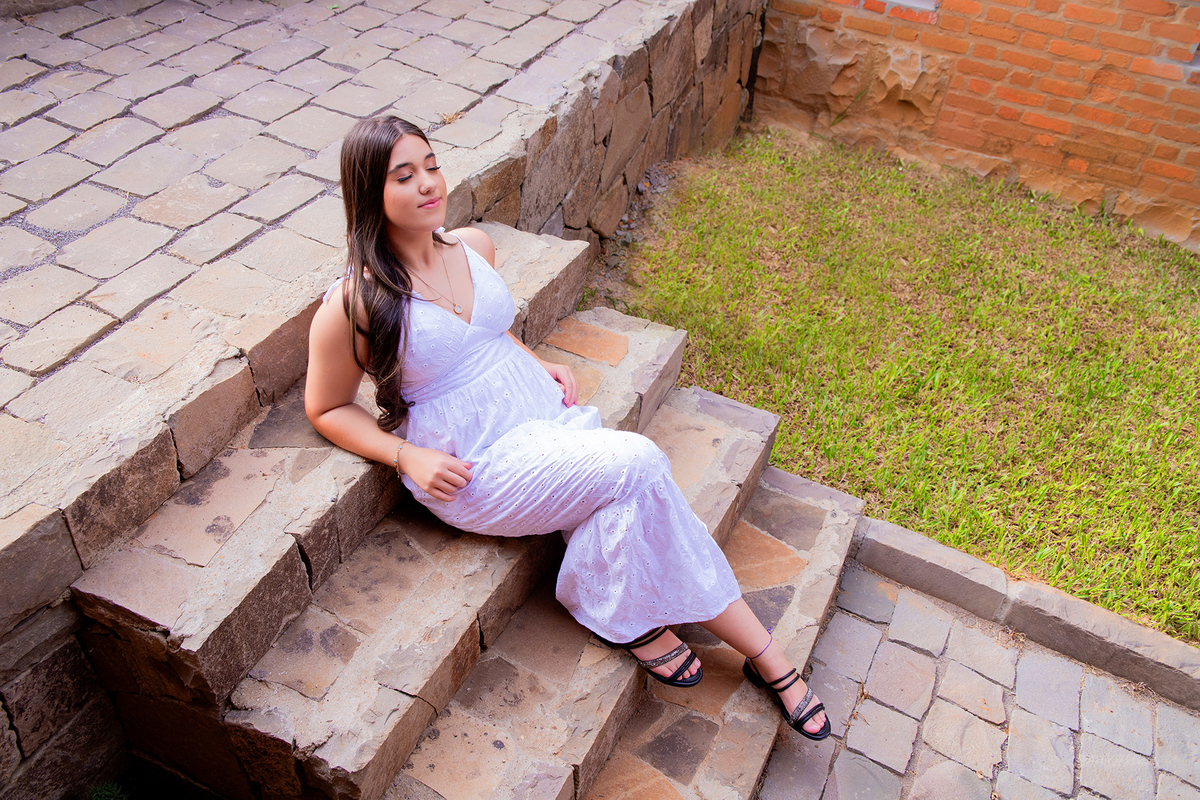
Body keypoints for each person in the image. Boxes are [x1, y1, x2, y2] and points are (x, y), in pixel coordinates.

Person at [304, 115, 830, 740]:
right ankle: (767, 656)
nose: (428, 183)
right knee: (638, 462)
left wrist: (534, 361)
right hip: (478, 462)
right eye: (403, 175)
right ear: (370, 192)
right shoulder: (356, 302)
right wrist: (404, 456)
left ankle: (629, 611)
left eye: (432, 165)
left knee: (629, 495)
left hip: (541, 413)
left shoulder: (472, 246)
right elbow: (326, 408)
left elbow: (487, 336)